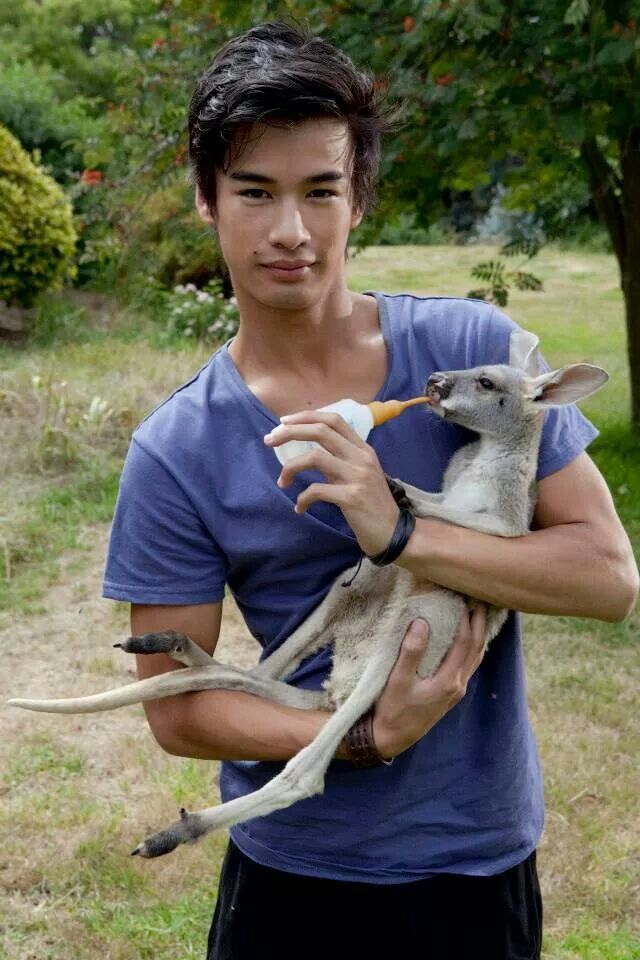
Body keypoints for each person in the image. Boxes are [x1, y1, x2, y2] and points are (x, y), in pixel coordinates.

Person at [102, 20, 638, 960]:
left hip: (477, 869)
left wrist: (400, 535)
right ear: (205, 200)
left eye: (321, 191)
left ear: (361, 201)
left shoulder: (474, 357)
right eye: (254, 192)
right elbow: (177, 708)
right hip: (296, 878)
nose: (290, 232)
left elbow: (605, 579)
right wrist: (366, 740)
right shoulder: (176, 447)